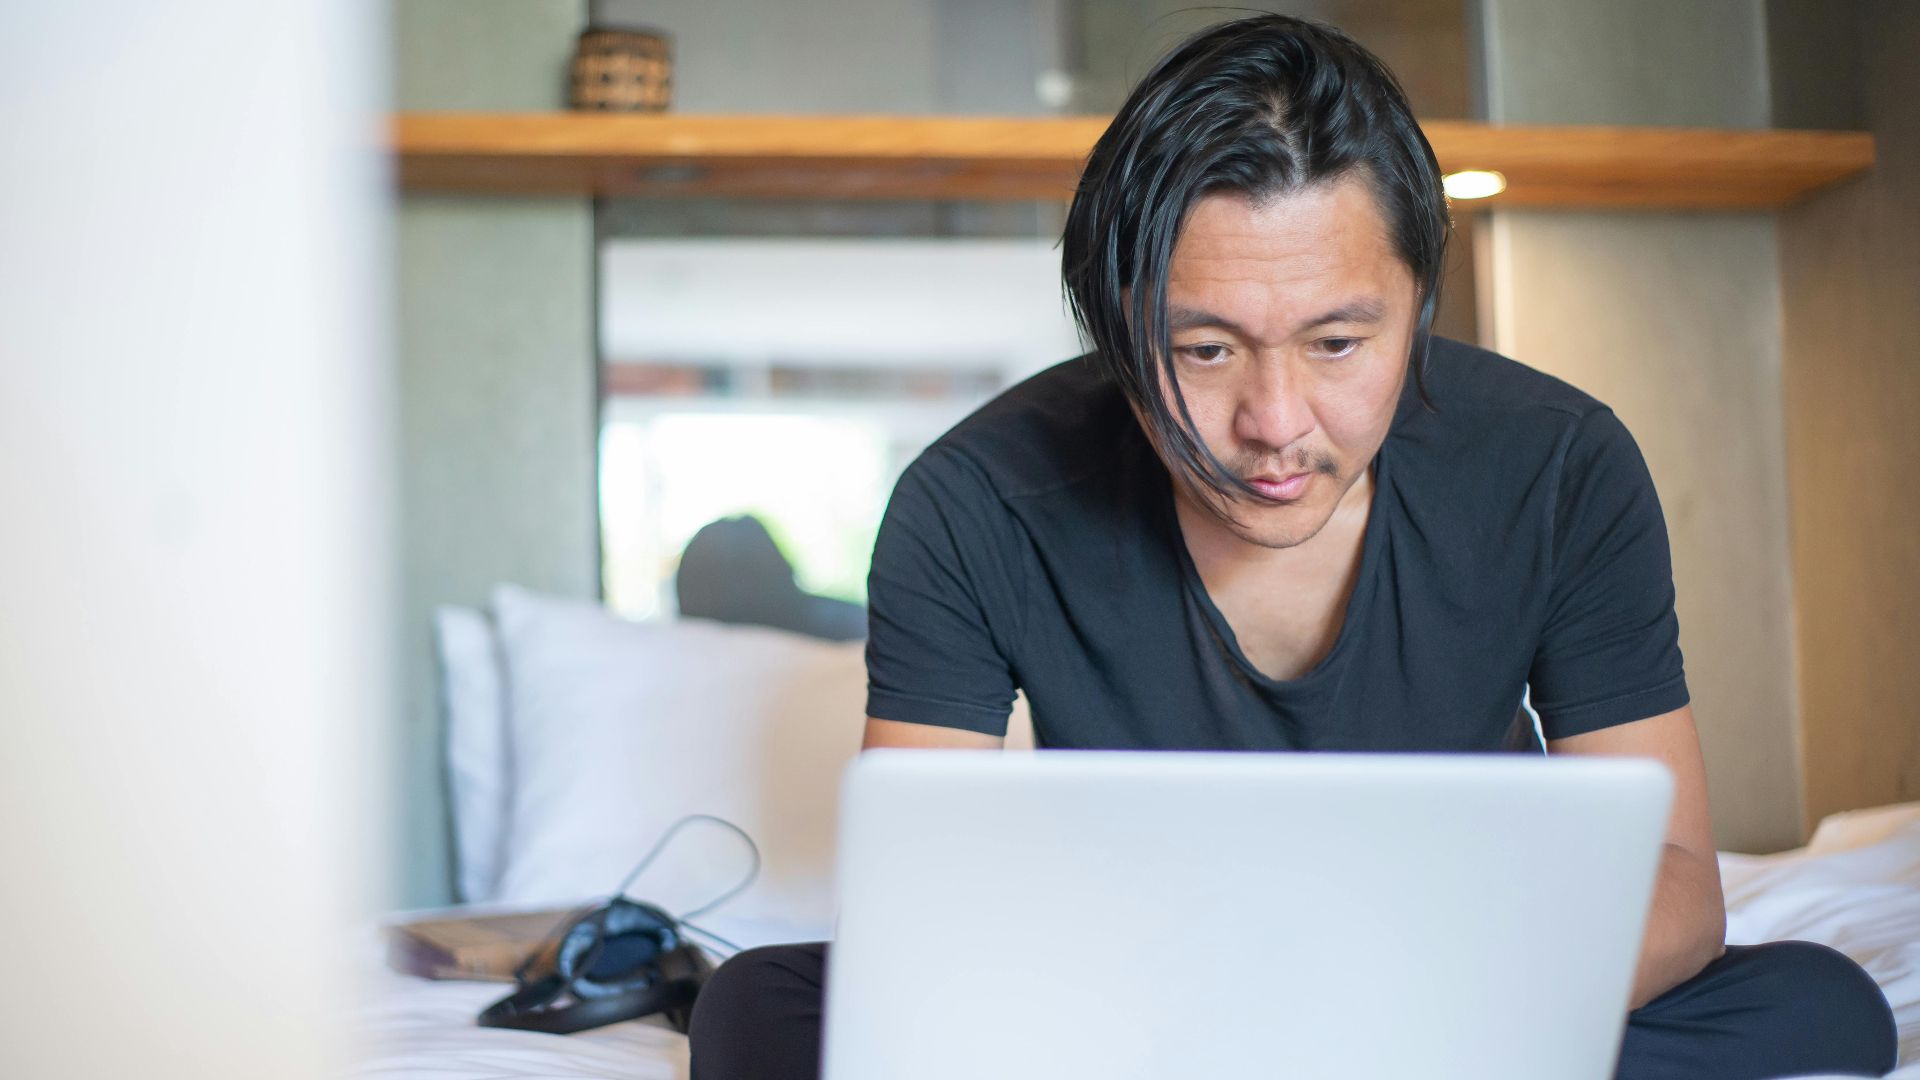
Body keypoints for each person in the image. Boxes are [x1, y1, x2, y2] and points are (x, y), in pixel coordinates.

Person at [686, 15, 1899, 1080]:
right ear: (1117, 323)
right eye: (1205, 350)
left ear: (1420, 303)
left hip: (1465, 976)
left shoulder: (1560, 468)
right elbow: (924, 919)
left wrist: (1408, 1016)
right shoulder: (974, 500)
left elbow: (1681, 876)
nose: (1273, 425)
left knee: (1820, 1005)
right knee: (755, 1014)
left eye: (1336, 344)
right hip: (1131, 995)